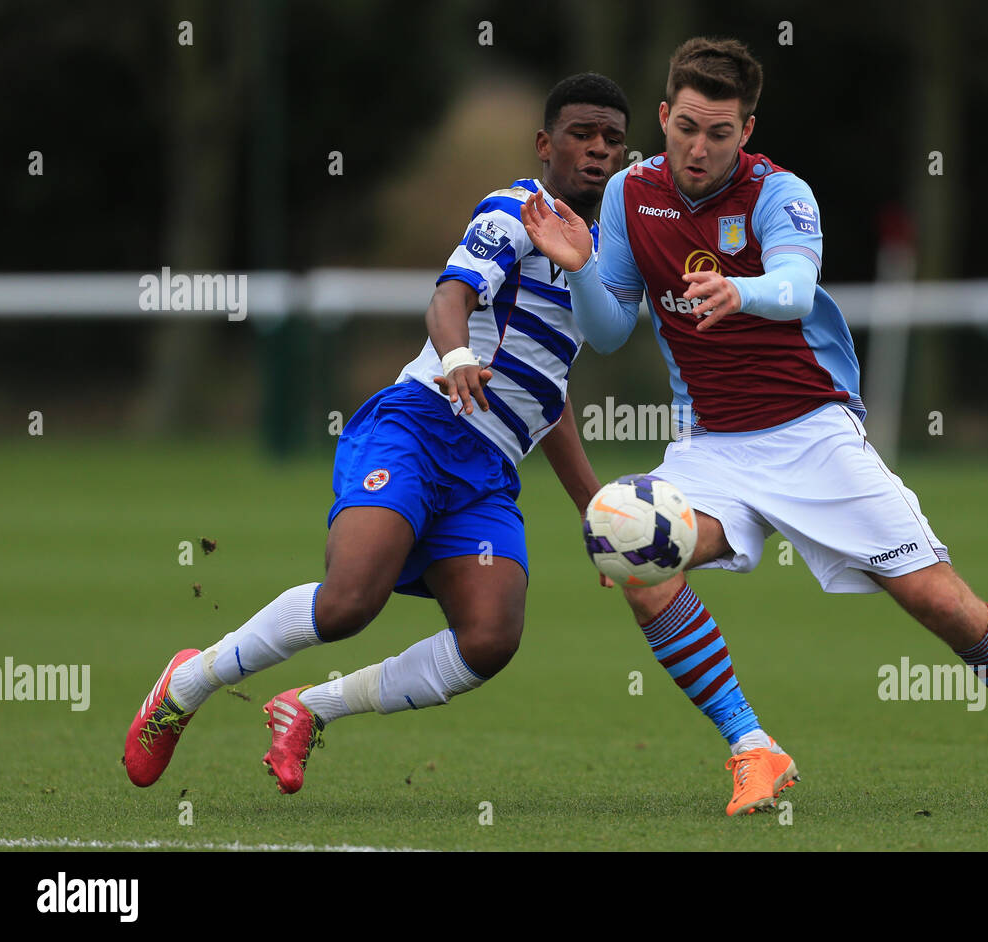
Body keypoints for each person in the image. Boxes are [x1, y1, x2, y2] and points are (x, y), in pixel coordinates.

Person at [522, 38, 988, 817]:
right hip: (712, 446)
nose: (698, 147)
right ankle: (753, 747)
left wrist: (741, 295)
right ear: (664, 116)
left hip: (813, 434)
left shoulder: (782, 193)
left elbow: (794, 285)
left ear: (747, 131)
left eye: (719, 132)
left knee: (941, 603)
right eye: (685, 127)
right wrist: (578, 267)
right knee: (630, 551)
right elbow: (607, 333)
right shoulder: (630, 195)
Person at [125, 73, 630, 795]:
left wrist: (594, 512)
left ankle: (308, 707)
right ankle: (186, 685)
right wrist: (456, 356)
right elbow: (448, 298)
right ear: (546, 144)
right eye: (582, 134)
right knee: (347, 605)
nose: (597, 150)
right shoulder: (516, 211)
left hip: (485, 473)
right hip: (418, 426)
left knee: (491, 639)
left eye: (612, 138)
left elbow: (548, 393)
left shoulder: (605, 260)